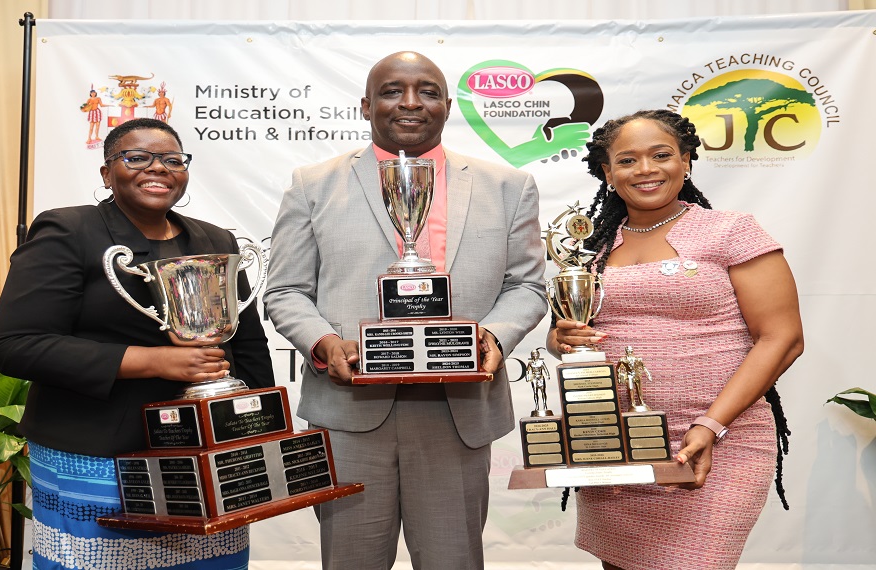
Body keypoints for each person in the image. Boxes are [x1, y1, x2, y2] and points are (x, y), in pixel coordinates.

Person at [264, 51, 548, 570]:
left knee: (452, 560)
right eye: (393, 91)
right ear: (367, 105)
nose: (411, 103)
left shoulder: (508, 187)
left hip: (456, 407)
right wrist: (325, 344)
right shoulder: (314, 184)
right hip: (349, 412)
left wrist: (496, 337)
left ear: (447, 104)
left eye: (429, 91)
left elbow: (527, 286)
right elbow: (284, 290)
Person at [0, 118, 274, 570]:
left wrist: (257, 434)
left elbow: (250, 345)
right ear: (107, 173)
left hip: (204, 455)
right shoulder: (69, 231)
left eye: (172, 159)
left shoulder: (214, 240)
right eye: (136, 157)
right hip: (99, 454)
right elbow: (16, 345)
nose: (156, 168)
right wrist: (153, 361)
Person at [547, 109, 804, 570]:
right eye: (627, 161)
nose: (645, 170)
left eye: (661, 155)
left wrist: (710, 425)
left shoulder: (731, 231)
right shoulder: (592, 248)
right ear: (607, 173)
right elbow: (568, 332)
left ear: (686, 160)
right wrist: (563, 337)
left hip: (718, 440)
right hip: (617, 442)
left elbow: (781, 338)